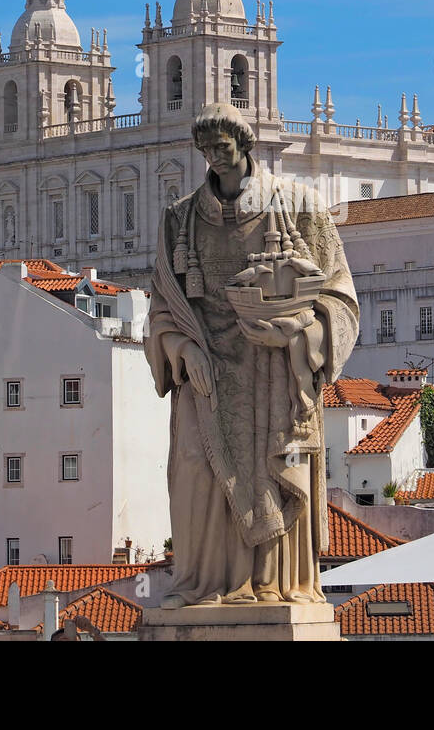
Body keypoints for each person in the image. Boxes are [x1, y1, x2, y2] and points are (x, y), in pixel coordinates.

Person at [145, 103, 359, 606]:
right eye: (207, 151)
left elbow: (340, 295)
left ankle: (276, 586)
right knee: (195, 471)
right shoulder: (179, 220)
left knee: (273, 470)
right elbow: (160, 308)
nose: (215, 159)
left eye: (223, 148)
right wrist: (179, 348)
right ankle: (202, 585)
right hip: (205, 374)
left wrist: (299, 332)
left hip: (276, 371)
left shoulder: (300, 206)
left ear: (245, 146)